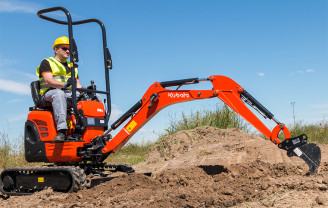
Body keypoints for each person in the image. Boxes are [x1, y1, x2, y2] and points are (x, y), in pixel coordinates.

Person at [36, 36, 83, 142]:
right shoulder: (47, 62)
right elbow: (49, 81)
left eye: (69, 49)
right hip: (49, 94)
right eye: (64, 48)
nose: (67, 51)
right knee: (58, 94)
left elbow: (78, 85)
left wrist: (88, 91)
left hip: (66, 93)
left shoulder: (73, 67)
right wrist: (66, 84)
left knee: (90, 97)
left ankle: (86, 128)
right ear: (56, 49)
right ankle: (62, 131)